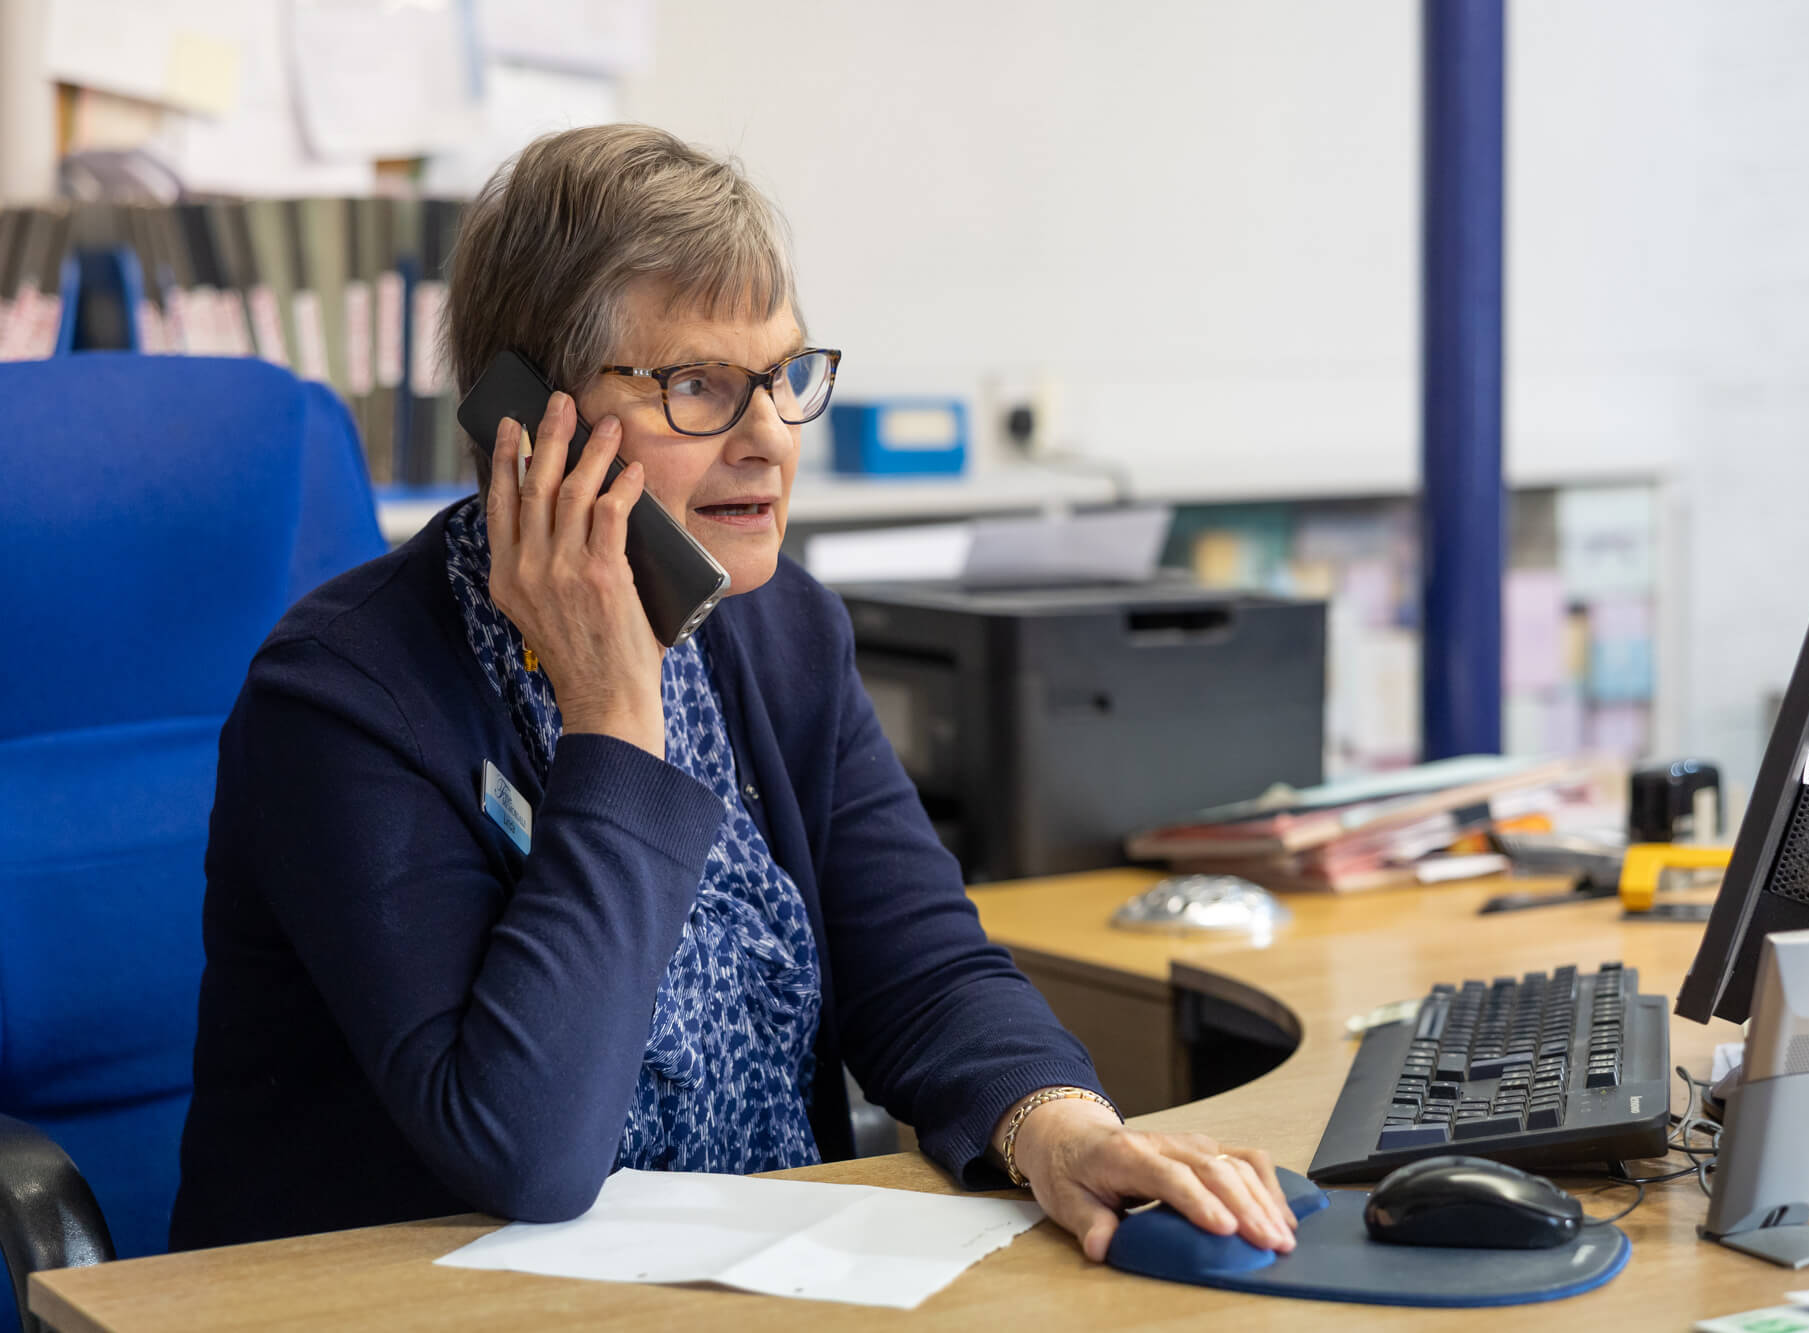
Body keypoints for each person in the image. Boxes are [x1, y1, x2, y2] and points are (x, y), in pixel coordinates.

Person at [170, 125, 1296, 1263]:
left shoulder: (779, 628)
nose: (767, 437)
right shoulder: (348, 697)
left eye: (783, 376)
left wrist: (1052, 1124)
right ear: (526, 421)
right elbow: (523, 1150)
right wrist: (614, 722)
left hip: (752, 1281)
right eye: (699, 387)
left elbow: (921, 969)